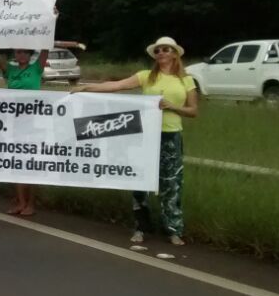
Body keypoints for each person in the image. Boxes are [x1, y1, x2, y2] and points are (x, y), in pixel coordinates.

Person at [74, 37, 197, 247]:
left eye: (165, 49)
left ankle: (174, 229)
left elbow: (193, 111)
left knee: (171, 183)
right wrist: (87, 89)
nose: (161, 53)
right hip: (146, 134)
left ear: (175, 53)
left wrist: (171, 107)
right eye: (157, 50)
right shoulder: (146, 77)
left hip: (171, 135)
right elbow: (117, 85)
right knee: (141, 182)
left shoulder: (185, 80)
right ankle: (141, 227)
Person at [0, 35, 85, 216]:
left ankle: (31, 203)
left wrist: (51, 20)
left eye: (25, 51)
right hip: (15, 123)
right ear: (15, 54)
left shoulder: (36, 68)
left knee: (32, 164)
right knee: (16, 164)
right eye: (18, 51)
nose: (22, 54)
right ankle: (20, 202)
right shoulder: (9, 70)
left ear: (30, 54)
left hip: (35, 124)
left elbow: (46, 47)